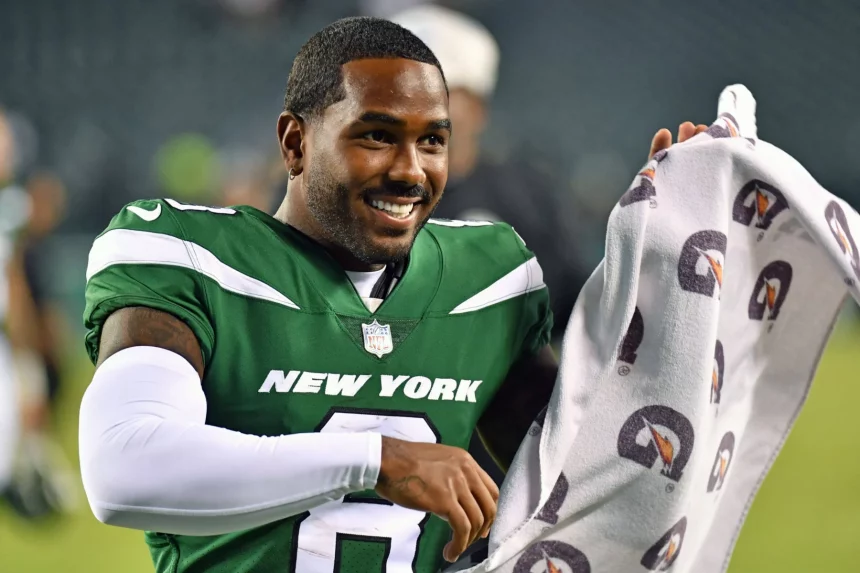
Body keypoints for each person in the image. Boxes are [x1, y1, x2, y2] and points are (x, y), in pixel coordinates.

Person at [78, 16, 705, 573]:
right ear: (295, 142)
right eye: (376, 136)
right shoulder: (188, 256)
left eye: (432, 140)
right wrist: (376, 461)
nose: (411, 170)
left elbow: (590, 481)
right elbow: (123, 470)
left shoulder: (489, 277)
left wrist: (666, 286)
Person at [391, 5, 594, 343]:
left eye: (439, 89)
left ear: (477, 109)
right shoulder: (355, 195)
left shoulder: (525, 197)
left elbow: (570, 307)